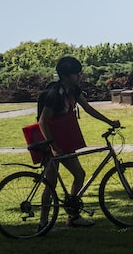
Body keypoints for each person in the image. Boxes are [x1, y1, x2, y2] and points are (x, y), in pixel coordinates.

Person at [37, 56, 120, 228]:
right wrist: (53, 146)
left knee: (79, 174)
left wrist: (109, 122)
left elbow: (88, 108)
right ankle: (43, 223)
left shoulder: (73, 90)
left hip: (63, 140)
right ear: (66, 75)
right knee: (51, 183)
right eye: (76, 73)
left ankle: (73, 216)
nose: (79, 76)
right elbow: (42, 122)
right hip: (50, 141)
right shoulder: (54, 94)